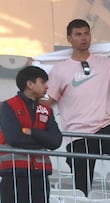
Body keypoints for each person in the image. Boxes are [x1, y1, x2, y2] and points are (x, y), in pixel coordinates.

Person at [41, 19, 110, 195]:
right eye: (78, 34)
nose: (83, 38)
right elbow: (48, 100)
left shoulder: (105, 63)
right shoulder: (60, 69)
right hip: (77, 134)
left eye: (86, 33)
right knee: (82, 186)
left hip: (103, 128)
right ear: (69, 38)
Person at [0, 66, 62, 203]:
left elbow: (56, 141)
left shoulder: (46, 110)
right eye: (43, 82)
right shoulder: (8, 106)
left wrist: (31, 132)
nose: (47, 87)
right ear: (30, 84)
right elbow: (13, 138)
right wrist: (44, 140)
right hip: (14, 172)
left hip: (40, 174)